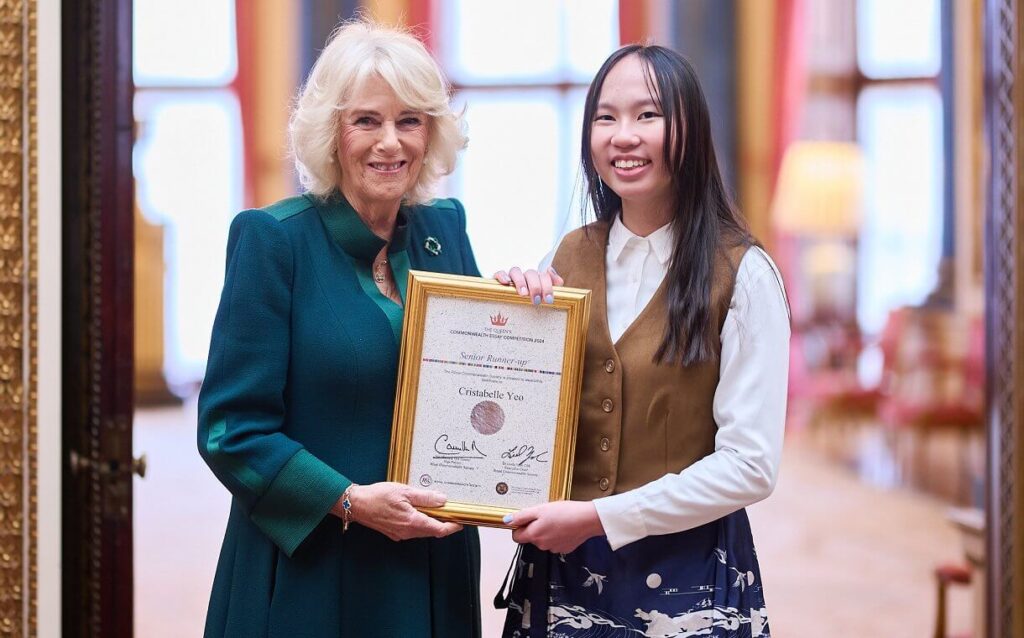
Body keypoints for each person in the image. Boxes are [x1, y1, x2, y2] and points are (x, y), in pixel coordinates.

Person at [494, 44, 790, 637]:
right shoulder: (566, 255)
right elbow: (522, 416)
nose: (622, 136)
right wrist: (505, 319)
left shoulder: (745, 273)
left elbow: (751, 466)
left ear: (691, 130)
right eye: (605, 117)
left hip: (688, 576)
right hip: (565, 567)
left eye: (647, 116)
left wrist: (601, 517)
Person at [197, 20, 481, 638]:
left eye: (410, 120)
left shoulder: (446, 232)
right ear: (331, 132)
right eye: (366, 121)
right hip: (315, 565)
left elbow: (480, 383)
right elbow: (229, 431)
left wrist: (524, 303)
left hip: (430, 561)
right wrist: (347, 500)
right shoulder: (273, 241)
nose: (390, 142)